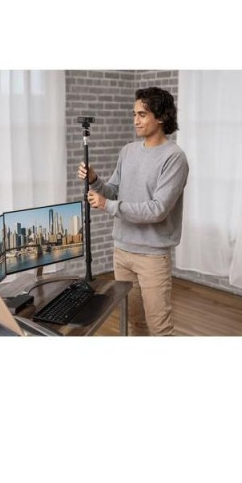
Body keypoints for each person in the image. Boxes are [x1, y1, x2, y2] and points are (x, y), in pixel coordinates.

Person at [78, 87, 189, 335]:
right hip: (122, 252)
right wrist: (95, 180)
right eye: (134, 114)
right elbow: (114, 190)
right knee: (134, 323)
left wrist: (106, 205)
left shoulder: (174, 158)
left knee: (160, 328)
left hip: (152, 257)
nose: (135, 120)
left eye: (142, 114)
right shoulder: (128, 151)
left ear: (161, 117)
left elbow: (157, 210)